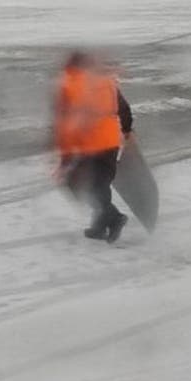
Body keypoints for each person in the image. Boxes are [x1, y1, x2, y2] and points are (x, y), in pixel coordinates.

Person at [53, 50, 132, 243]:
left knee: (80, 185)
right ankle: (99, 226)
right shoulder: (106, 81)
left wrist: (65, 158)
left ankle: (114, 218)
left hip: (89, 144)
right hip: (111, 141)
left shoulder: (70, 85)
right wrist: (128, 130)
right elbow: (123, 108)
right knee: (100, 185)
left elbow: (66, 124)